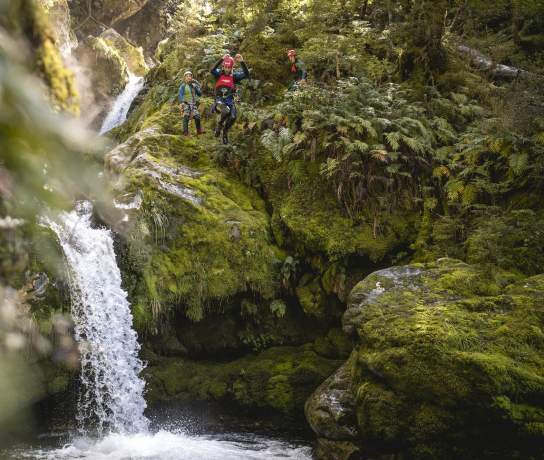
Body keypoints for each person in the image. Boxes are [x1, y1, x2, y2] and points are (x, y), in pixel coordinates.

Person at [210, 53, 250, 144]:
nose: (227, 69)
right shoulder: (219, 73)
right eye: (226, 67)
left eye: (229, 67)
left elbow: (246, 74)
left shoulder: (234, 76)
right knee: (226, 111)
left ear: (232, 67)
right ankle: (219, 125)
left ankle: (225, 131)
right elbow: (212, 70)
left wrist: (242, 62)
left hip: (229, 101)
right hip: (219, 100)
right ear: (223, 66)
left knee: (233, 117)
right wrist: (221, 59)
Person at [178, 70, 204, 136]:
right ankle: (185, 133)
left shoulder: (194, 85)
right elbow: (180, 95)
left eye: (190, 76)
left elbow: (200, 94)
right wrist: (181, 103)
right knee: (186, 117)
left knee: (197, 117)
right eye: (187, 76)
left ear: (191, 77)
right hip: (186, 104)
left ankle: (199, 131)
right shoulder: (182, 86)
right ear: (184, 78)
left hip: (193, 104)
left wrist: (196, 87)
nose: (189, 77)